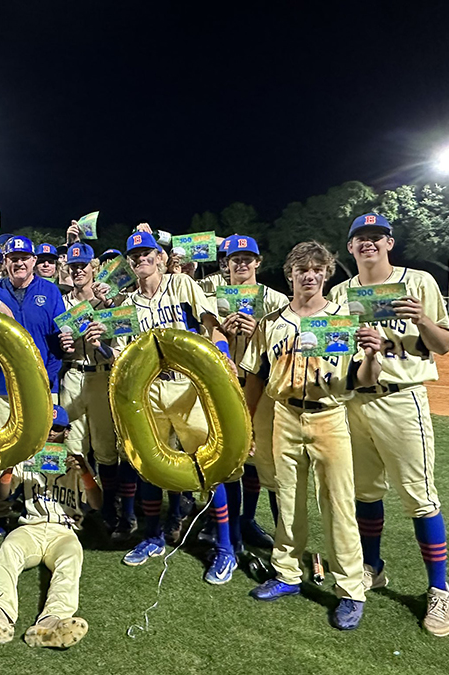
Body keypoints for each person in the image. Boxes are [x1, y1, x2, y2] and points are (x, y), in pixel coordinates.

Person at [241, 240, 383, 631]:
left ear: (325, 274)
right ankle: (286, 573)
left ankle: (351, 588)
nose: (309, 275)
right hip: (285, 415)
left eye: (317, 269)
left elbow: (363, 379)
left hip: (330, 415)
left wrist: (372, 355)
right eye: (302, 269)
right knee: (287, 501)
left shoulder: (341, 319)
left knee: (338, 504)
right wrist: (250, 420)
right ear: (290, 275)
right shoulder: (272, 322)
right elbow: (255, 376)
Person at [328, 213, 449, 637]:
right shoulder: (341, 292)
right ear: (350, 248)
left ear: (389, 243)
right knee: (365, 493)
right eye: (360, 238)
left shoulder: (417, 281)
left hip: (402, 399)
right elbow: (335, 349)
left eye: (376, 237)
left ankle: (439, 591)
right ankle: (372, 566)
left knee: (419, 497)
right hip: (355, 402)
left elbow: (443, 345)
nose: (368, 243)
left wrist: (421, 319)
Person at [98, 228, 237, 585]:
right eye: (135, 257)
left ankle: (225, 548)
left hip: (187, 386)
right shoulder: (126, 303)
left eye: (147, 253)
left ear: (160, 256)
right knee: (150, 465)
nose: (141, 259)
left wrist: (222, 358)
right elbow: (120, 356)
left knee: (210, 464)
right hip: (149, 392)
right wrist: (99, 345)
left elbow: (212, 327)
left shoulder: (181, 285)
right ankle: (153, 536)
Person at [0, 405, 100, 649]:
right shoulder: (26, 458)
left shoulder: (77, 462)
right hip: (31, 527)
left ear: (66, 432)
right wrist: (10, 468)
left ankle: (52, 622)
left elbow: (97, 503)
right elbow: (3, 495)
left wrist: (85, 473)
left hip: (64, 531)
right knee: (9, 549)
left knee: (71, 559)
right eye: (46, 428)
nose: (50, 433)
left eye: (56, 429)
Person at [216, 235, 289, 551]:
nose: (242, 263)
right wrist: (222, 333)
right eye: (235, 258)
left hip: (265, 387)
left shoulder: (276, 299)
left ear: (258, 262)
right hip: (227, 387)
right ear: (227, 263)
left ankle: (250, 521)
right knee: (230, 461)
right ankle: (229, 532)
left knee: (262, 461)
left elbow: (289, 344)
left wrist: (259, 329)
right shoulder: (216, 297)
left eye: (248, 258)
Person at [57, 242, 122, 532]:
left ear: (93, 267)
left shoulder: (110, 299)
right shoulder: (63, 301)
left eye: (83, 265)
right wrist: (62, 346)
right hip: (73, 373)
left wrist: (106, 304)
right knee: (72, 444)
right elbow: (60, 347)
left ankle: (109, 505)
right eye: (73, 266)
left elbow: (124, 336)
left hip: (101, 374)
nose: (78, 270)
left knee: (106, 446)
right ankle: (78, 504)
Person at [0, 236, 66, 430]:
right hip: (3, 385)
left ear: (33, 260)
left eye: (24, 257)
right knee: (5, 448)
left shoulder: (51, 291)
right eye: (13, 258)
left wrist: (48, 377)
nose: (19, 263)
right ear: (5, 262)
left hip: (42, 383)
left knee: (40, 444)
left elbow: (59, 340)